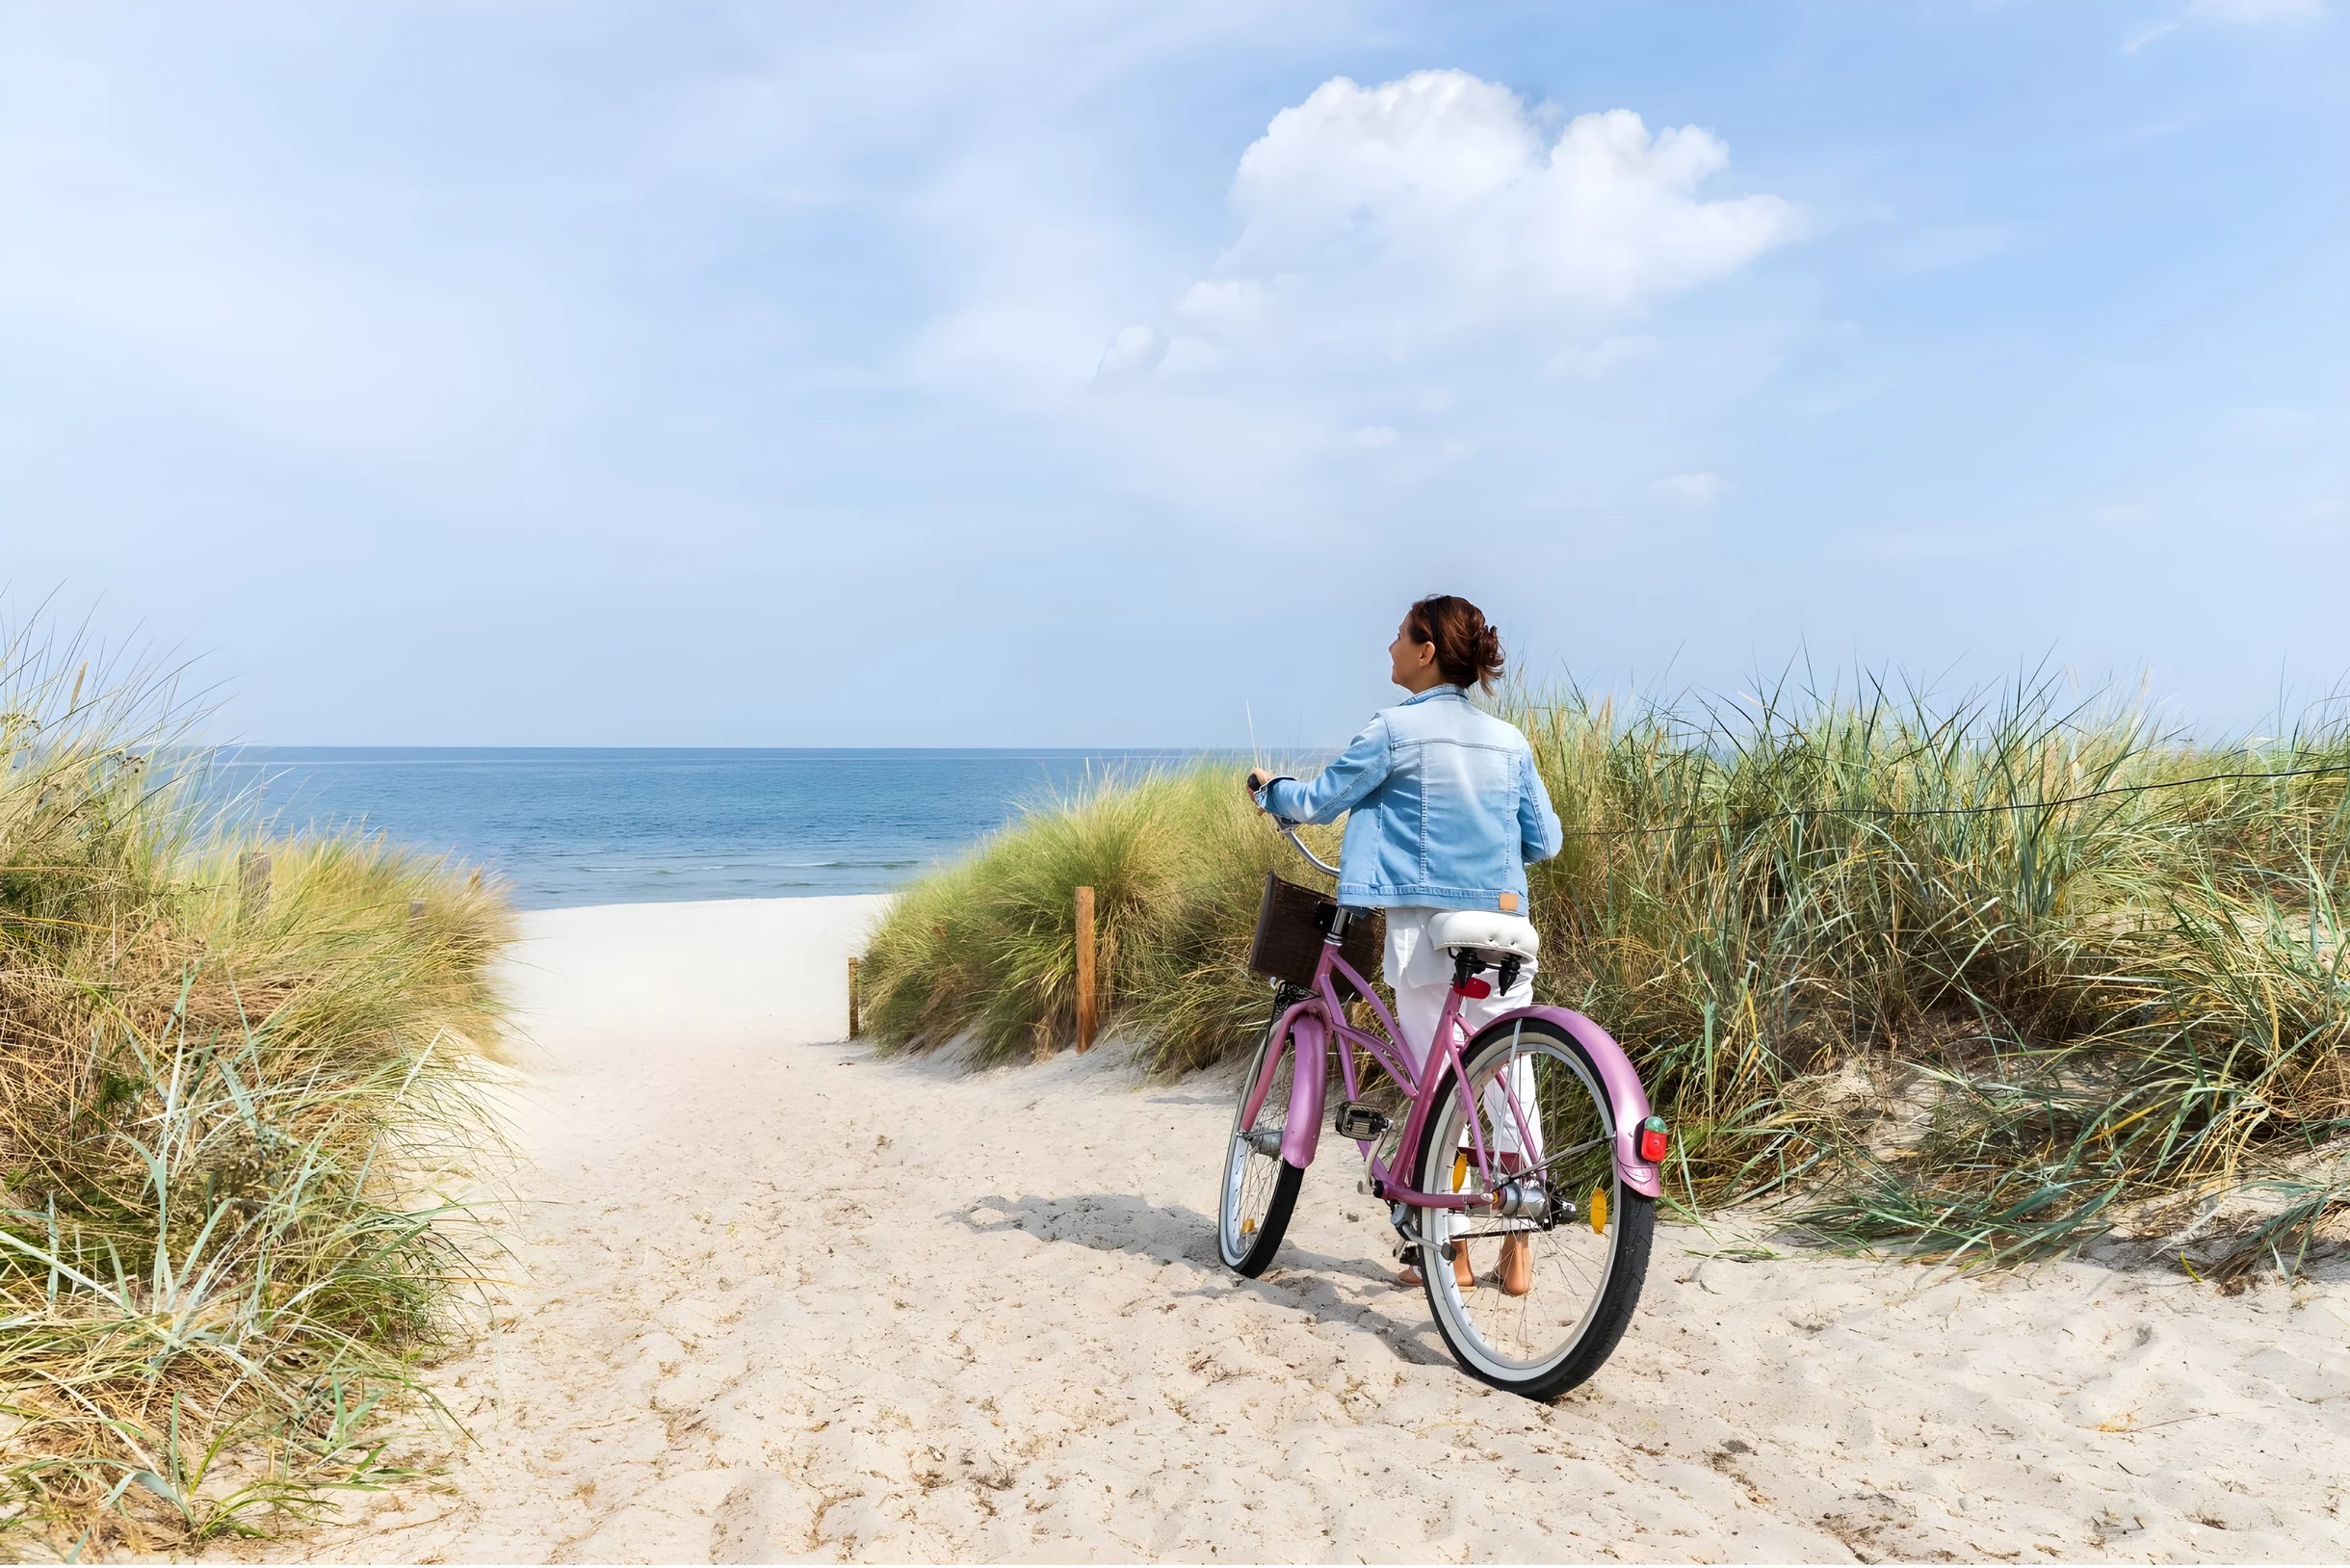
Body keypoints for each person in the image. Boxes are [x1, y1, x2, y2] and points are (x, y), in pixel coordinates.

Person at [1245, 594, 1562, 1294]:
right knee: (1508, 1074)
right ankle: (1518, 1244)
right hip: (1506, 928)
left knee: (1438, 1081)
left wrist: (1271, 792)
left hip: (1428, 931)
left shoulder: (1392, 730)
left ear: (1426, 653)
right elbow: (1545, 839)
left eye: (1399, 636)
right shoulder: (1510, 742)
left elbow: (1321, 800)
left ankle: (1447, 1251)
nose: (1389, 647)